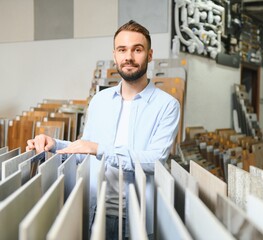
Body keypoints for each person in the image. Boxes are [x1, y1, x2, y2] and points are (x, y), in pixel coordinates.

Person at [26, 20, 180, 240]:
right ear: (115, 55)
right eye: (122, 50)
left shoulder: (167, 105)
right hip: (96, 210)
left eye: (137, 49)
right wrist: (55, 144)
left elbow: (155, 160)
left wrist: (99, 148)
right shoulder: (100, 101)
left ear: (150, 54)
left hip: (137, 216)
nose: (129, 57)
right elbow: (86, 151)